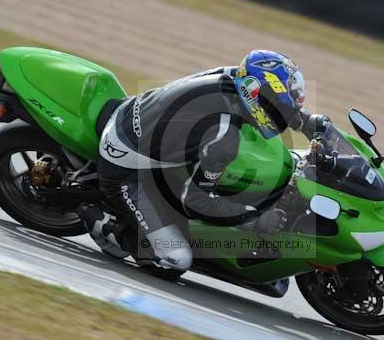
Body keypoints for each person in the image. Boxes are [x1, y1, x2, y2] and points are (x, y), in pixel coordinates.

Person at [79, 50, 329, 273]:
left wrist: (306, 122)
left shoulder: (235, 77)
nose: (282, 114)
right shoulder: (223, 135)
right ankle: (107, 227)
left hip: (139, 119)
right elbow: (195, 202)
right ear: (256, 95)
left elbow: (276, 102)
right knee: (175, 259)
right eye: (278, 107)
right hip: (125, 169)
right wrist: (254, 220)